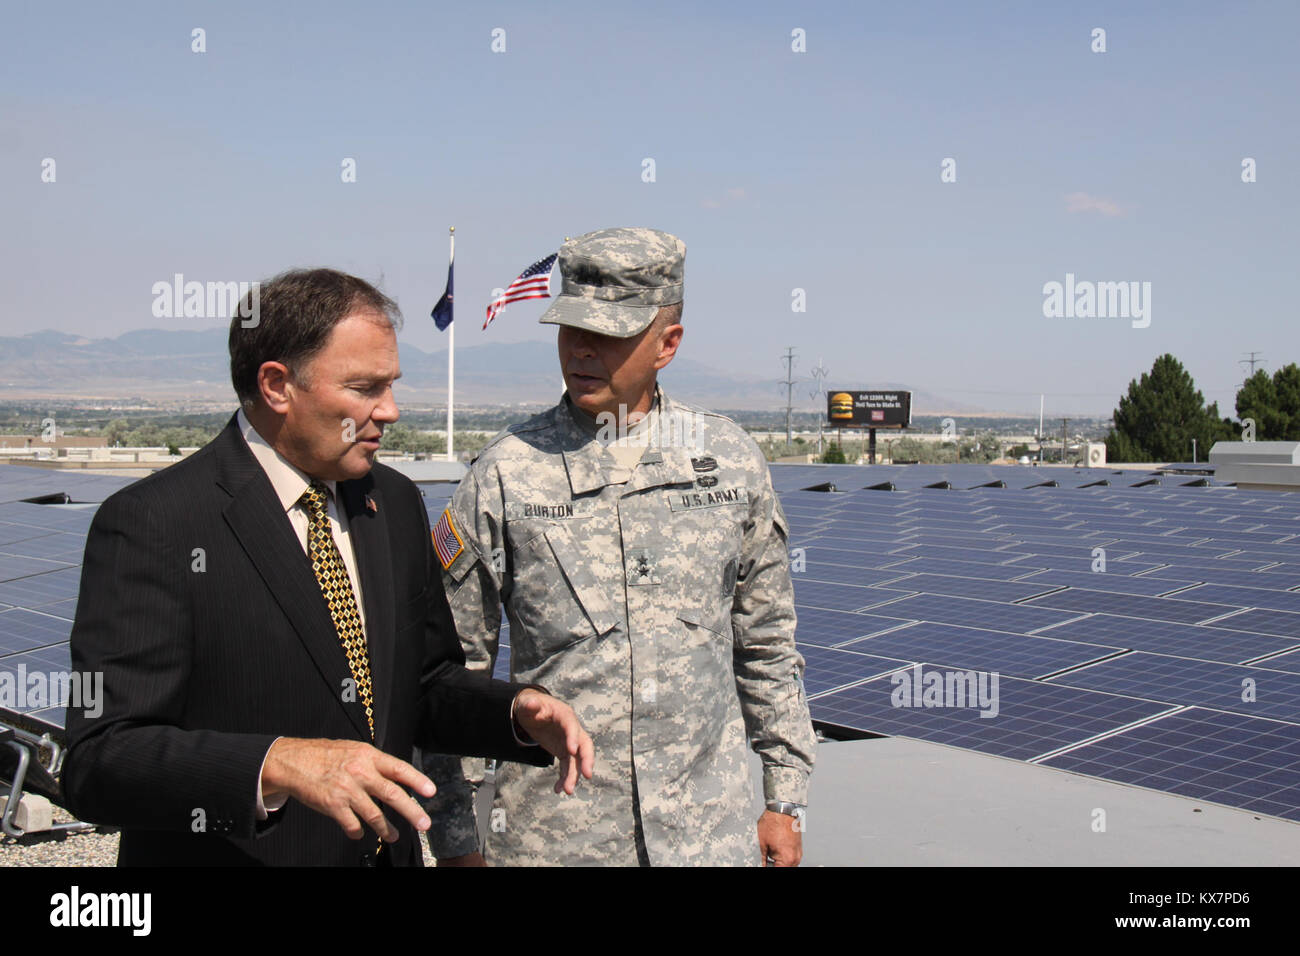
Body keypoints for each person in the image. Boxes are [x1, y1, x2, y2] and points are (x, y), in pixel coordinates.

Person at [62, 268, 593, 866]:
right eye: (365, 388)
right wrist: (278, 764)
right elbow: (99, 759)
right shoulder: (155, 523)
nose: (390, 411)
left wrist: (513, 712)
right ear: (277, 386)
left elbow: (420, 687)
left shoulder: (391, 503)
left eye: (391, 385)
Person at [424, 227, 815, 866]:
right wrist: (456, 838)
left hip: (705, 840)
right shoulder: (504, 475)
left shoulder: (729, 464)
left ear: (668, 344)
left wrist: (785, 798)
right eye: (570, 329)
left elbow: (768, 644)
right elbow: (452, 675)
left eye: (608, 334)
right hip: (557, 843)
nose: (581, 350)